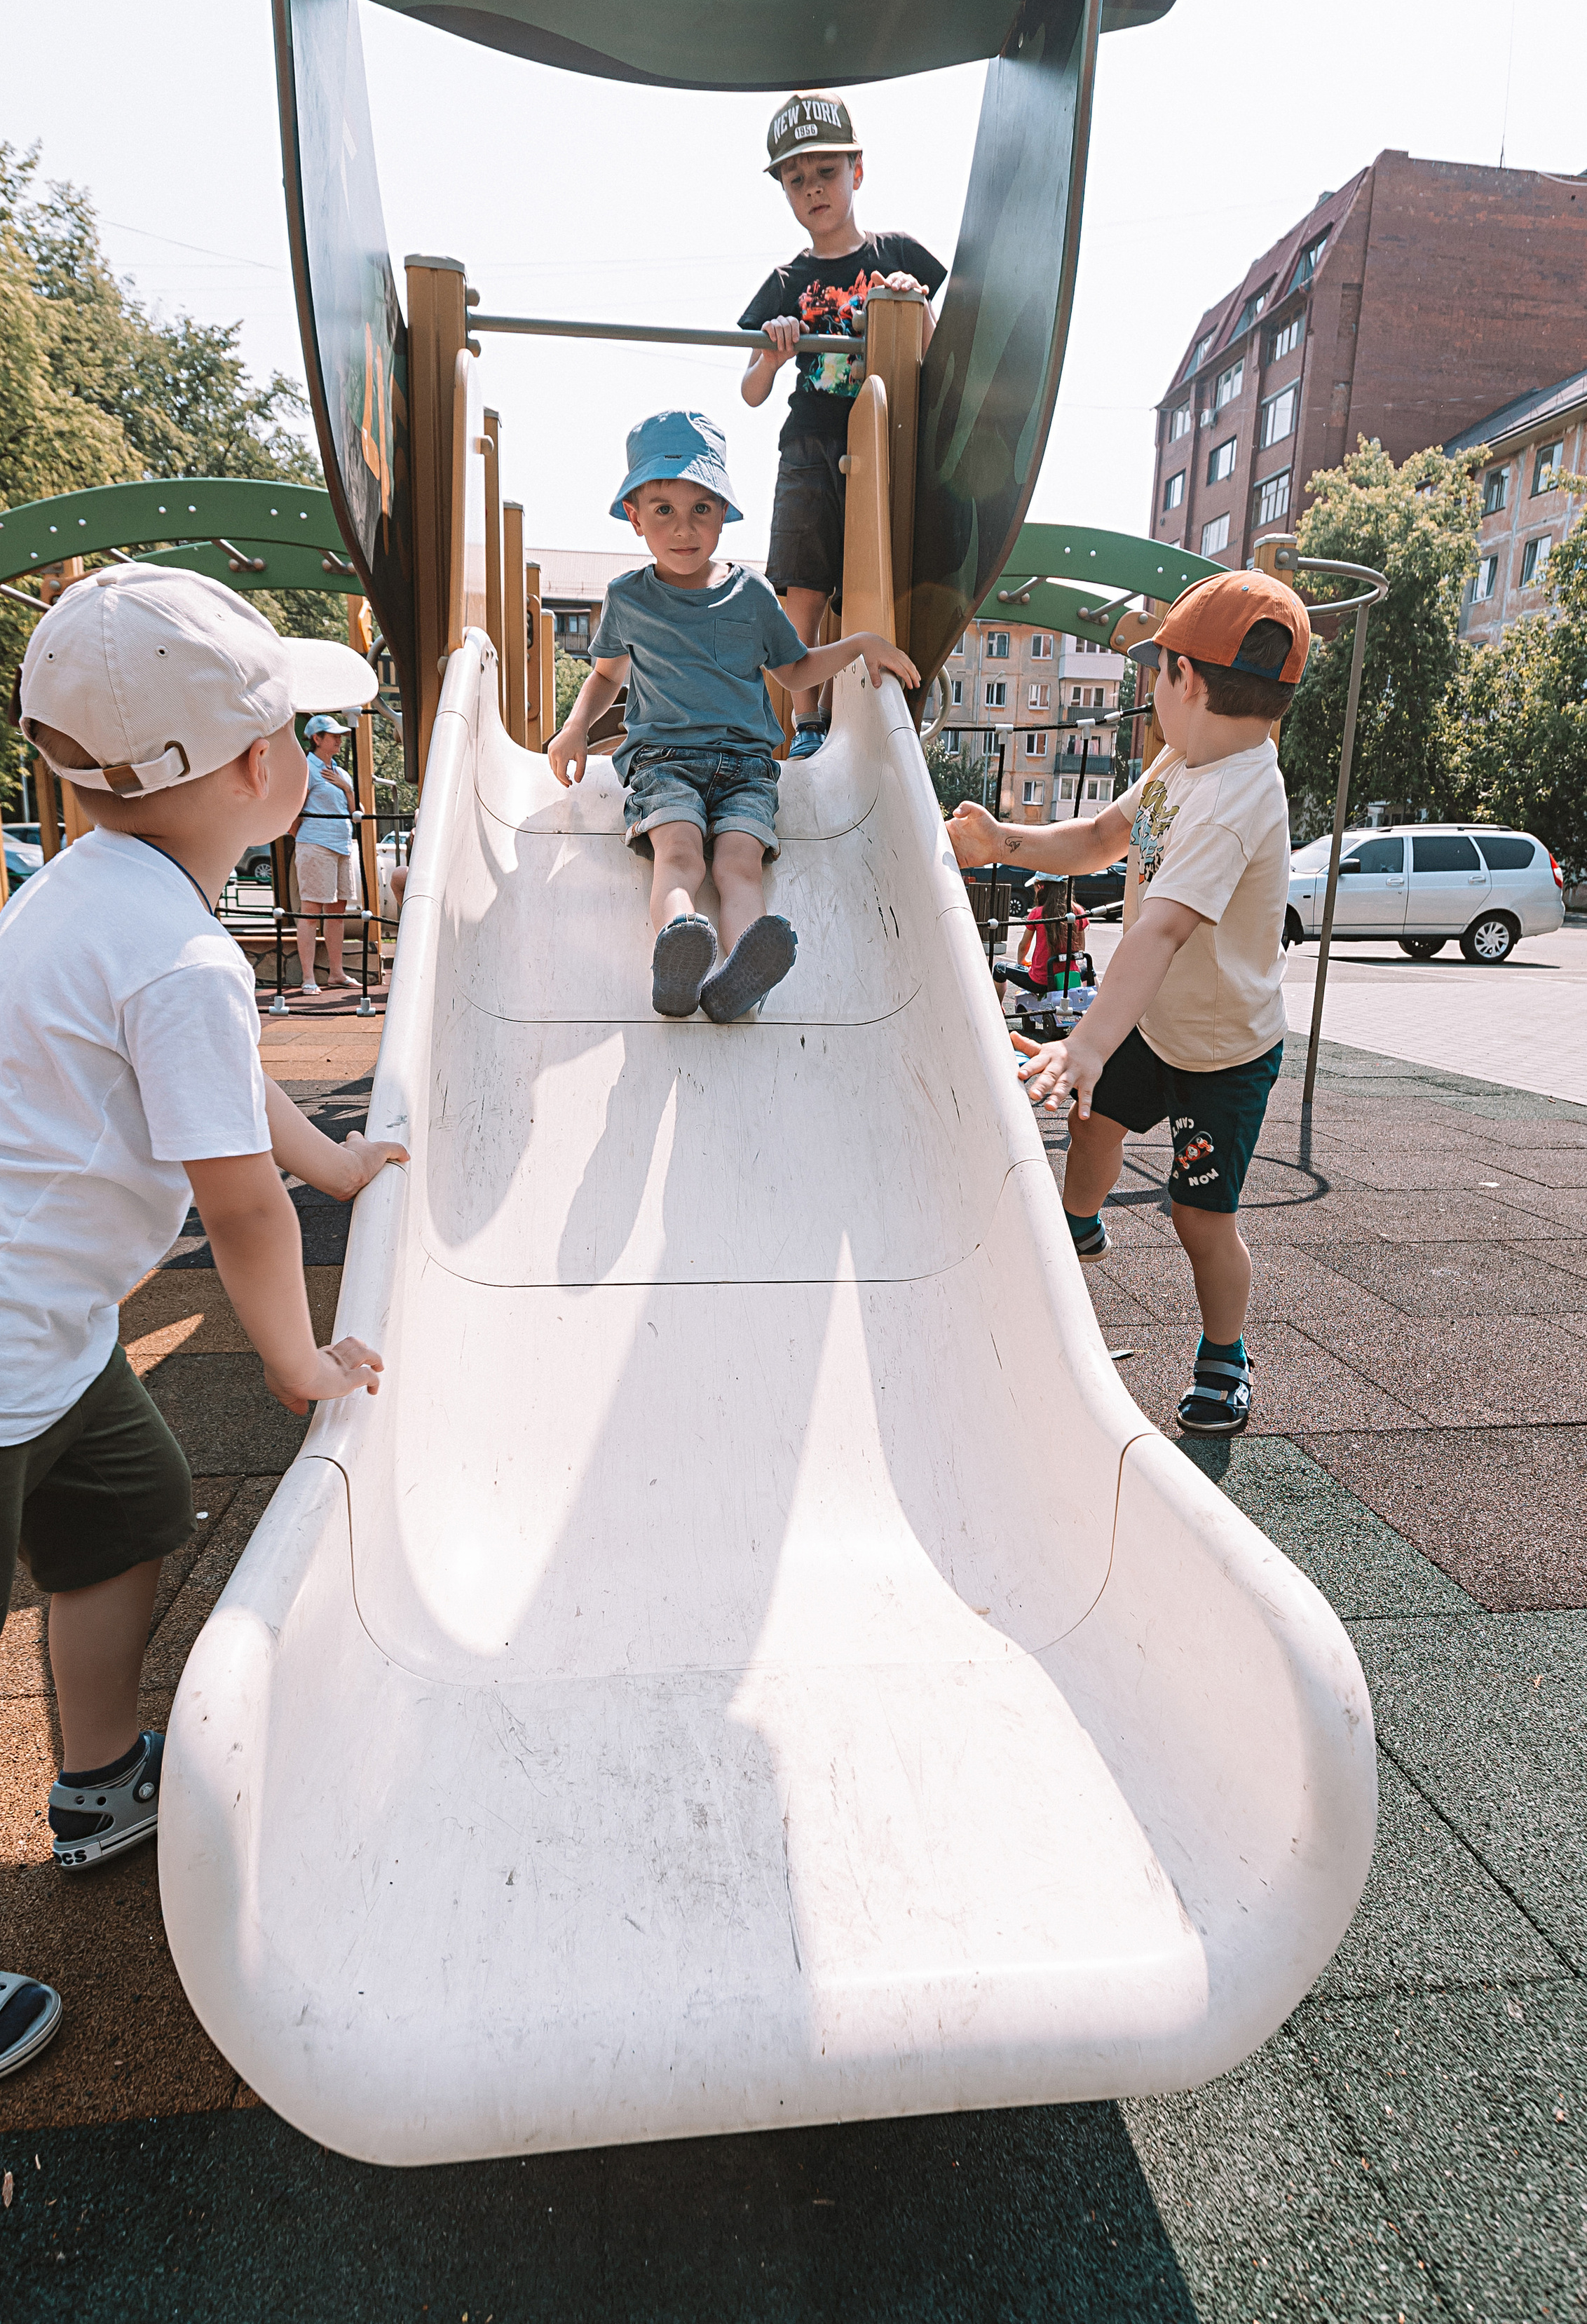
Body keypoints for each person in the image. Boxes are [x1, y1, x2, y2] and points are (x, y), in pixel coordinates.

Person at [0, 565, 404, 2095]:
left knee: (125, 1515)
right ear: (253, 770)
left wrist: (334, 1156)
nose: (316, 761)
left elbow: (224, 1093)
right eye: (303, 734)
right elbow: (241, 1208)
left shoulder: (107, 893)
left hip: (34, 1332)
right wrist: (290, 1357)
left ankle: (94, 1781)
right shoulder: (180, 949)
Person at [948, 571, 1312, 1438]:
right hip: (1153, 1022)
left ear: (1184, 678)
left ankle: (1225, 1353)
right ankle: (1079, 1226)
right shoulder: (1185, 758)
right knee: (1091, 1122)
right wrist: (1003, 840)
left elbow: (1157, 933)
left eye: (1157, 673)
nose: (1152, 691)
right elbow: (1105, 838)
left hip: (1221, 1051)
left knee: (1199, 1217)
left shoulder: (1233, 801)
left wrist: (1086, 1042)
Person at [548, 411, 917, 1022]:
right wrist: (575, 727)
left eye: (701, 508)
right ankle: (680, 948)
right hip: (662, 761)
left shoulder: (750, 597)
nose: (684, 527)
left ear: (724, 513)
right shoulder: (627, 598)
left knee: (739, 862)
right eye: (663, 509)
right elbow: (608, 673)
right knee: (681, 851)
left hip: (746, 766)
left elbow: (795, 671)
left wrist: (857, 645)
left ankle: (741, 976)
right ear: (635, 517)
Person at [739, 93, 946, 759]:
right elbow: (749, 391)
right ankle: (806, 725)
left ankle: (847, 709)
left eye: (826, 173)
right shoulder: (785, 282)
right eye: (796, 181)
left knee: (868, 582)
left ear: (858, 171)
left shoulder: (898, 256)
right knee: (801, 591)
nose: (813, 190)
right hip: (808, 444)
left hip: (884, 447)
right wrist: (773, 354)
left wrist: (913, 307)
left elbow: (939, 361)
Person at [294, 715, 360, 994]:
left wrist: (346, 788)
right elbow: (292, 812)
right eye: (332, 735)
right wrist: (305, 839)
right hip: (316, 846)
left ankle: (336, 973)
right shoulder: (305, 769)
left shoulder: (342, 773)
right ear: (316, 739)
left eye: (340, 735)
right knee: (311, 912)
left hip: (342, 846)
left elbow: (354, 812)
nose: (339, 739)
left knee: (337, 913)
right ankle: (308, 978)